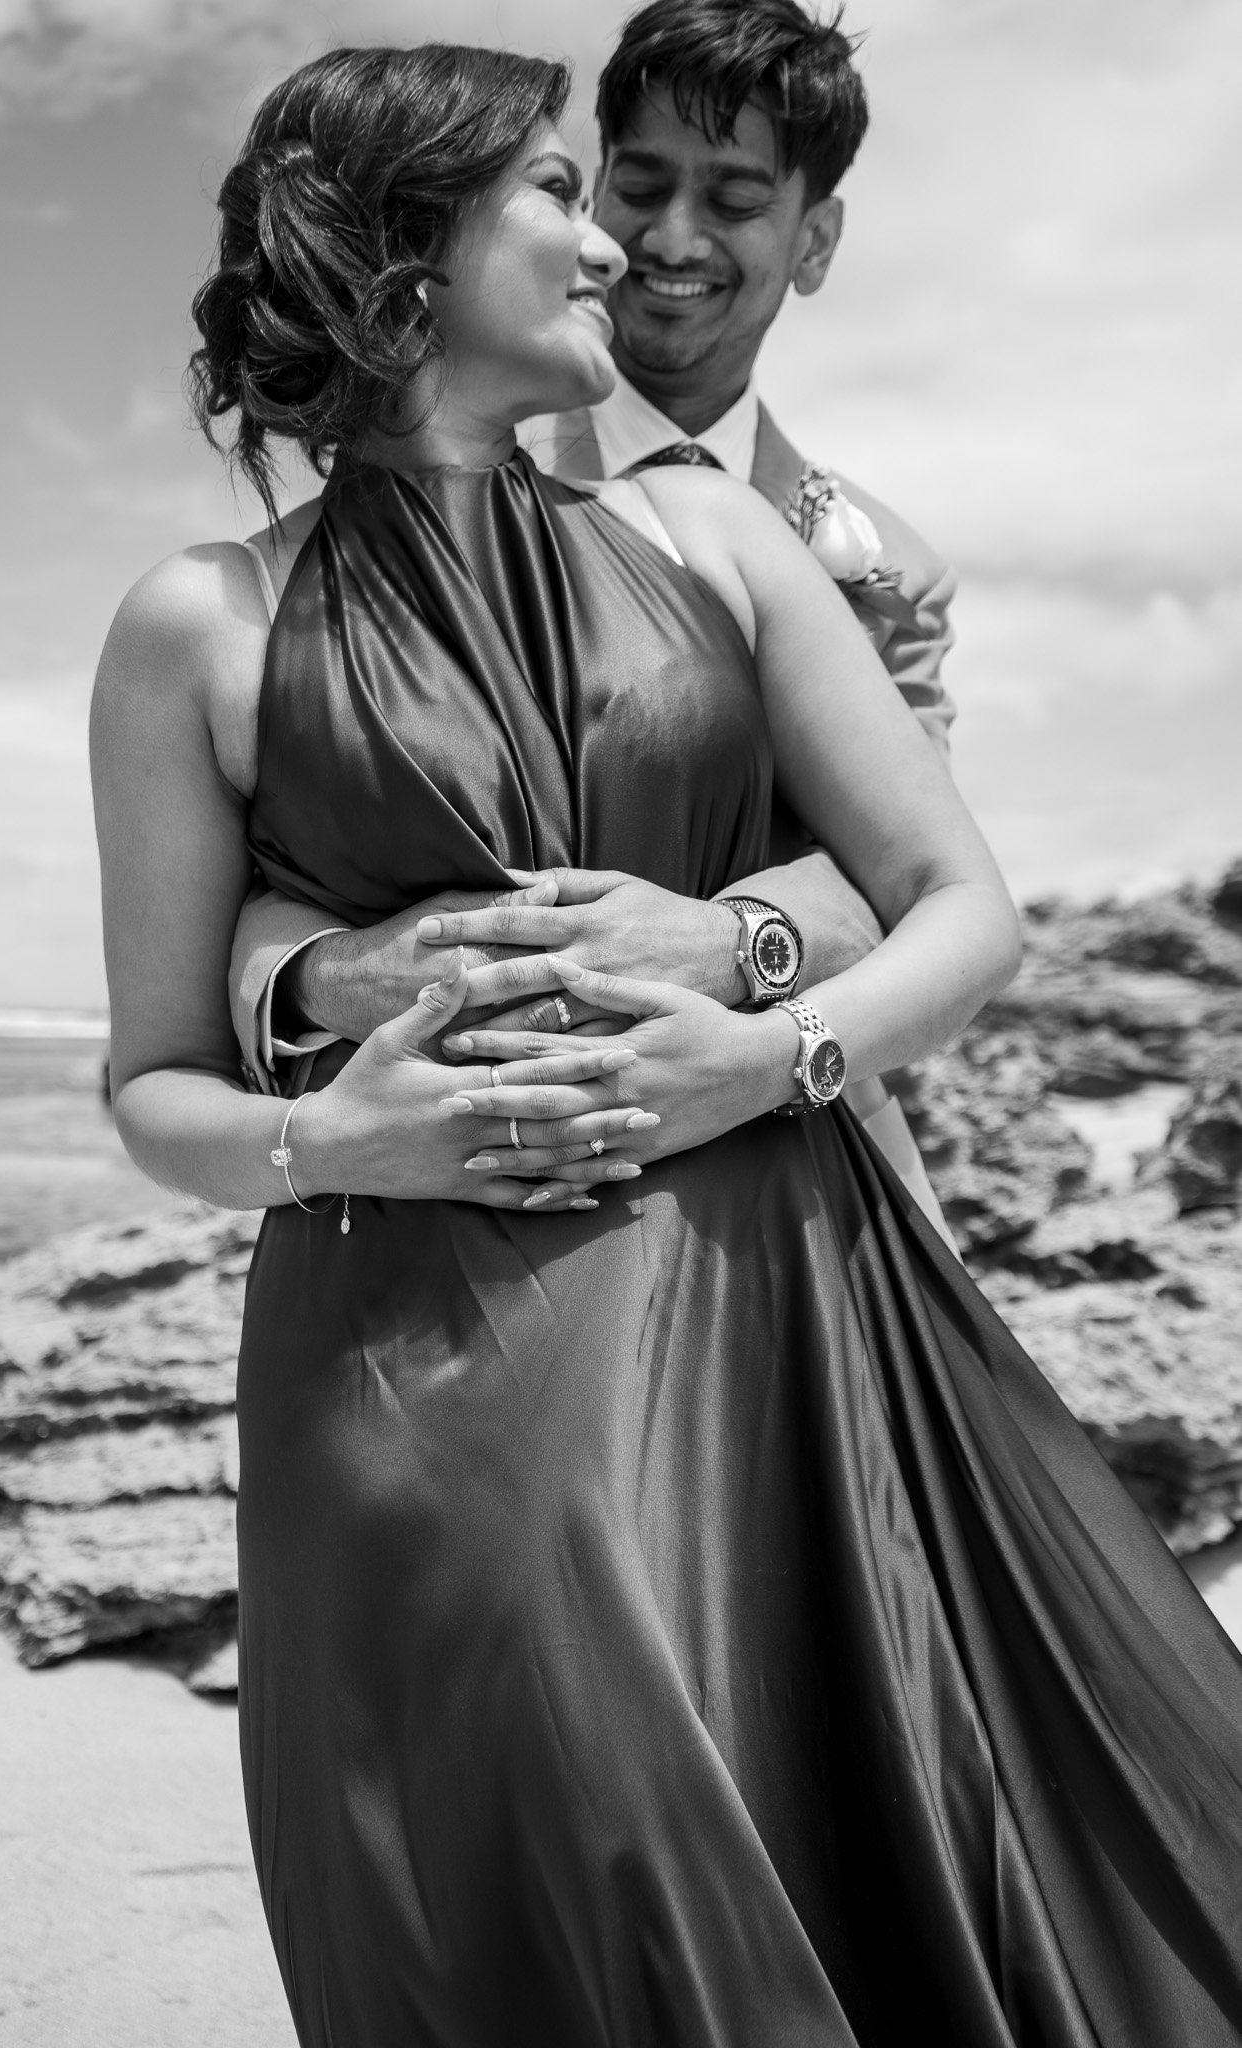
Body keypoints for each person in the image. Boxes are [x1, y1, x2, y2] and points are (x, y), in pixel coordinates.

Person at [91, 39, 1242, 2048]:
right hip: (410, 1362)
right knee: (554, 1882)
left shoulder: (734, 542)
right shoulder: (197, 623)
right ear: (402, 252)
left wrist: (750, 1031)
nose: (616, 244)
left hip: (773, 1294)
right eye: (561, 191)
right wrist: (339, 1127)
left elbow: (948, 894)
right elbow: (158, 1077)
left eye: (670, 198)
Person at [224, 0, 954, 1241]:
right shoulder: (411, 487)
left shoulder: (883, 567)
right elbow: (295, 831)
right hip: (453, 1178)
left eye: (732, 199)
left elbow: (916, 877)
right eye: (636, 184)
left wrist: (733, 943)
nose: (665, 239)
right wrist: (335, 975)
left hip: (782, 1151)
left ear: (815, 239)